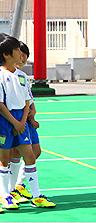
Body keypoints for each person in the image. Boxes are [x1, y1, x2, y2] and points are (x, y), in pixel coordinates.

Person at [0, 35, 55, 209]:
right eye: (17, 50)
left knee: (30, 156)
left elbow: (26, 101)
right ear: (7, 54)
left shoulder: (22, 76)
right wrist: (14, 122)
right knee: (4, 159)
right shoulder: (1, 75)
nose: (21, 54)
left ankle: (36, 196)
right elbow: (0, 104)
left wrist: (23, 121)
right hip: (5, 119)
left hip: (20, 119)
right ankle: (5, 195)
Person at [9, 41, 41, 203]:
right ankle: (10, 189)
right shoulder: (6, 75)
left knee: (34, 152)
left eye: (24, 55)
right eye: (19, 54)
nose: (22, 58)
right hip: (14, 119)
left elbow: (28, 97)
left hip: (25, 119)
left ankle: (17, 186)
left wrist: (32, 115)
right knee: (12, 154)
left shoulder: (23, 76)